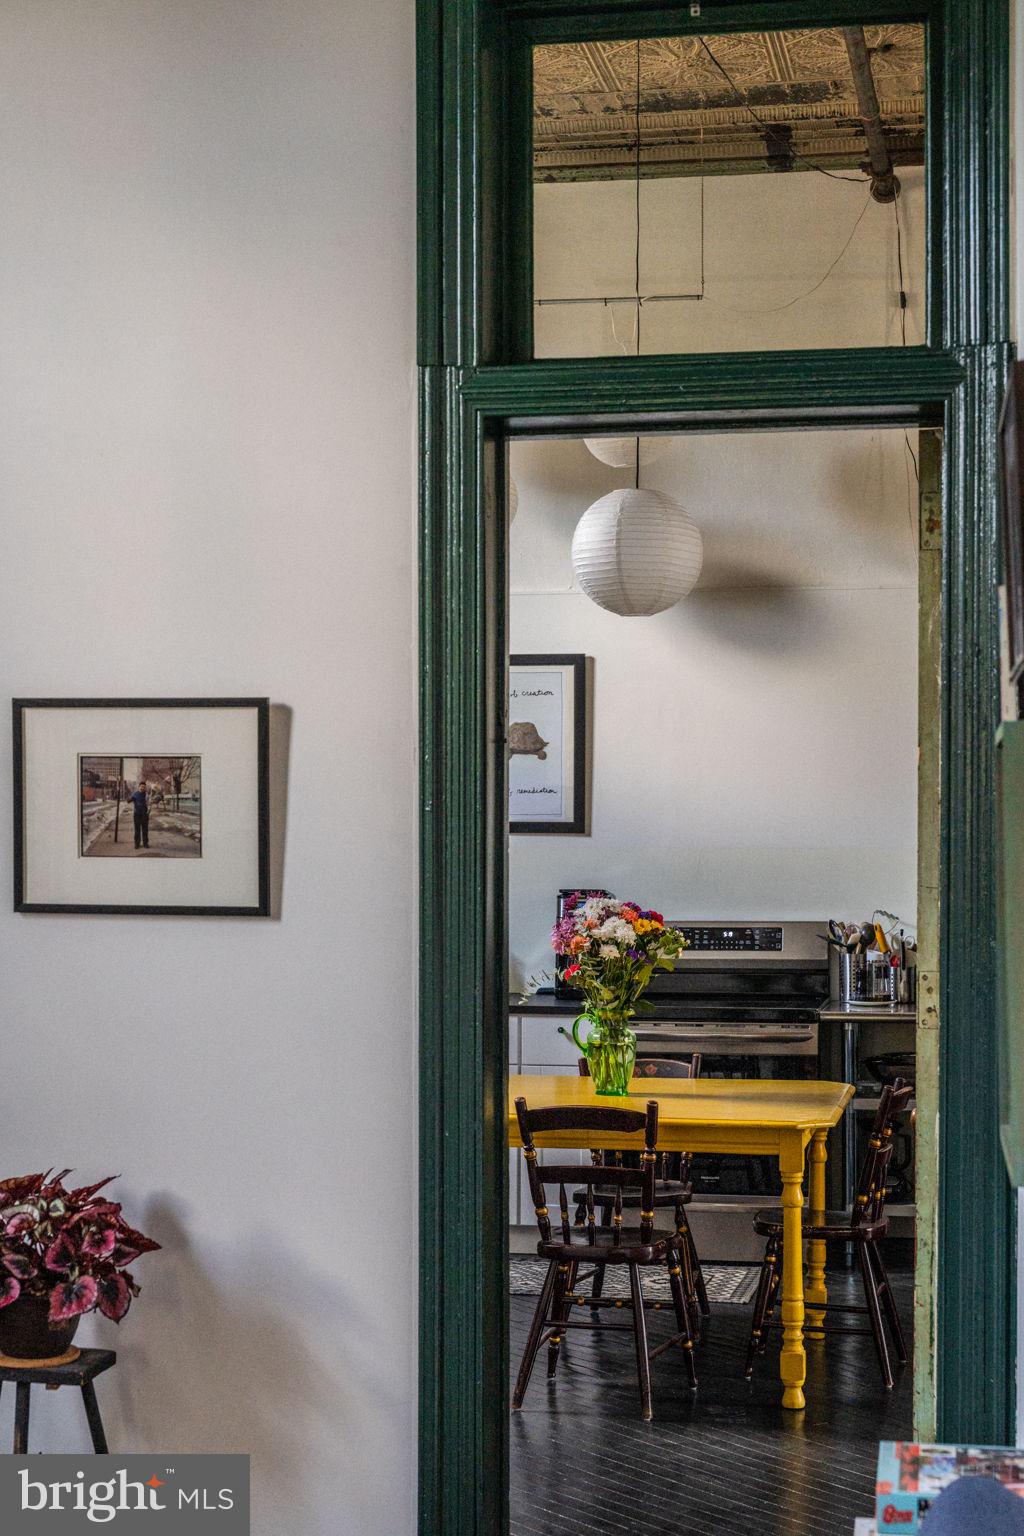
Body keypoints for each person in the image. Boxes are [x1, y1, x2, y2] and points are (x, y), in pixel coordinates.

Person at [130, 780, 150, 850]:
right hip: (137, 814)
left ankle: (145, 843)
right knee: (137, 830)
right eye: (141, 786)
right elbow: (128, 800)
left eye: (144, 787)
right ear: (139, 787)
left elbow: (149, 803)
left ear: (145, 788)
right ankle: (137, 844)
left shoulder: (147, 795)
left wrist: (148, 811)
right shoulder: (135, 794)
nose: (142, 788)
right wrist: (130, 799)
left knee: (145, 830)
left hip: (145, 814)